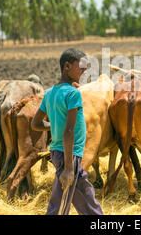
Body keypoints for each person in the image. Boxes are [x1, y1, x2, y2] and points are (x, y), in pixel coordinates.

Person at [31, 48, 104, 215]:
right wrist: (70, 168)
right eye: (81, 67)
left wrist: (54, 125)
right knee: (60, 205)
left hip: (59, 151)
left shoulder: (49, 93)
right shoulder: (73, 94)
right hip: (69, 155)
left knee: (86, 197)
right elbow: (70, 131)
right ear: (67, 66)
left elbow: (35, 123)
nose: (84, 71)